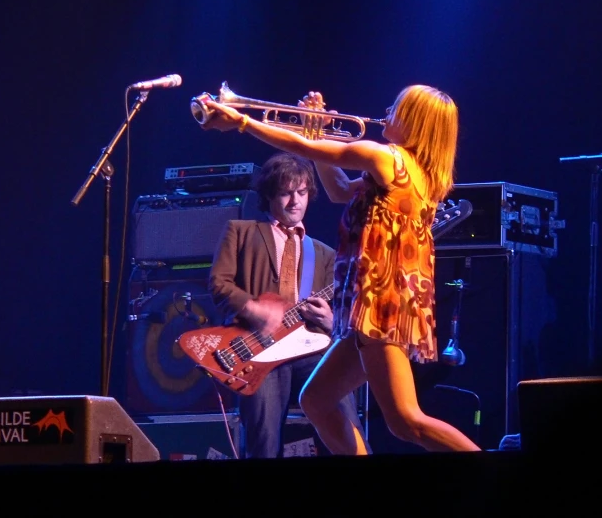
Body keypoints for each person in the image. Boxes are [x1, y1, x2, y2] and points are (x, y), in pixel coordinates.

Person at [201, 84, 481, 454]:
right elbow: (336, 189)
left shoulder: (388, 159)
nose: (386, 109)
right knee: (316, 400)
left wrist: (241, 121)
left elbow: (305, 150)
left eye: (395, 107)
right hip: (376, 305)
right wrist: (314, 128)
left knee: (405, 420)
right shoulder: (414, 171)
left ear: (413, 121)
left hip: (380, 305)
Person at [208, 151, 368, 459]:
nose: (295, 201)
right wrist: (254, 309)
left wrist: (330, 318)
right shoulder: (240, 232)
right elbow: (218, 284)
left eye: (302, 192)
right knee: (264, 442)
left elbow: (345, 315)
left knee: (346, 424)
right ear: (269, 194)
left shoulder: (323, 253)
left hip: (309, 347)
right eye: (285, 192)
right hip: (257, 349)